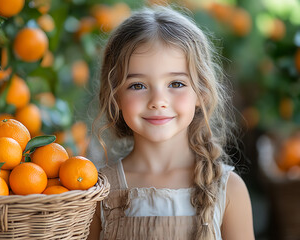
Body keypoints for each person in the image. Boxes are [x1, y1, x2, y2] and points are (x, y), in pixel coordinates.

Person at [88, 5, 254, 240]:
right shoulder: (97, 192)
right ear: (116, 97)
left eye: (176, 83)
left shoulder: (229, 190)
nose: (158, 101)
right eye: (138, 85)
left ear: (202, 93)